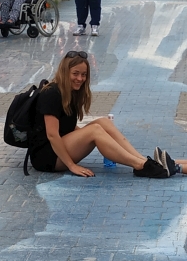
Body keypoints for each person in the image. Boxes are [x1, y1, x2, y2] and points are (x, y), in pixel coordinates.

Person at [29, 51, 168, 178]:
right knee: (95, 130)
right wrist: (72, 166)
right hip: (46, 157)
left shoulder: (71, 92)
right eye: (75, 73)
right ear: (65, 72)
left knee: (103, 122)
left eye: (84, 74)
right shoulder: (51, 93)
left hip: (59, 149)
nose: (80, 78)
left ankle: (142, 160)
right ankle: (140, 165)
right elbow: (52, 135)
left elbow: (67, 127)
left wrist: (85, 136)